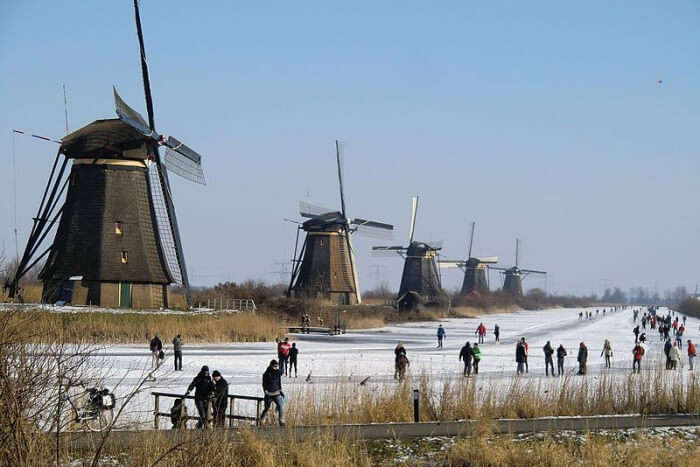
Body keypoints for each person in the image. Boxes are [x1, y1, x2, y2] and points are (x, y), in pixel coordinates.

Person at [260, 360, 285, 426]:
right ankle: (262, 419)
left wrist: (280, 389)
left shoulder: (278, 373)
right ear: (271, 366)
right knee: (267, 408)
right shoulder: (266, 374)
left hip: (277, 393)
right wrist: (265, 390)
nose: (276, 367)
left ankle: (281, 420)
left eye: (277, 366)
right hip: (269, 394)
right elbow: (264, 383)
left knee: (280, 406)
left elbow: (279, 382)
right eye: (274, 366)